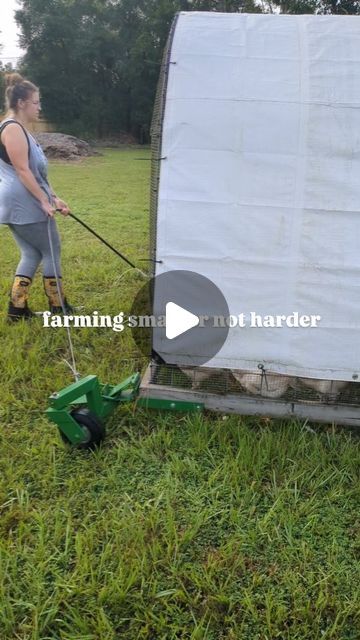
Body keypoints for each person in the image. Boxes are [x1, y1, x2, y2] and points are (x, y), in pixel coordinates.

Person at [0, 73, 73, 322]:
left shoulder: (21, 130)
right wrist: (43, 201)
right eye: (36, 102)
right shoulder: (12, 128)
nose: (39, 107)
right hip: (24, 202)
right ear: (21, 103)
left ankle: (17, 310)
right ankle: (58, 307)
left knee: (31, 254)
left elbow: (37, 172)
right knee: (52, 251)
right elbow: (22, 169)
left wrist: (54, 197)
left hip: (20, 202)